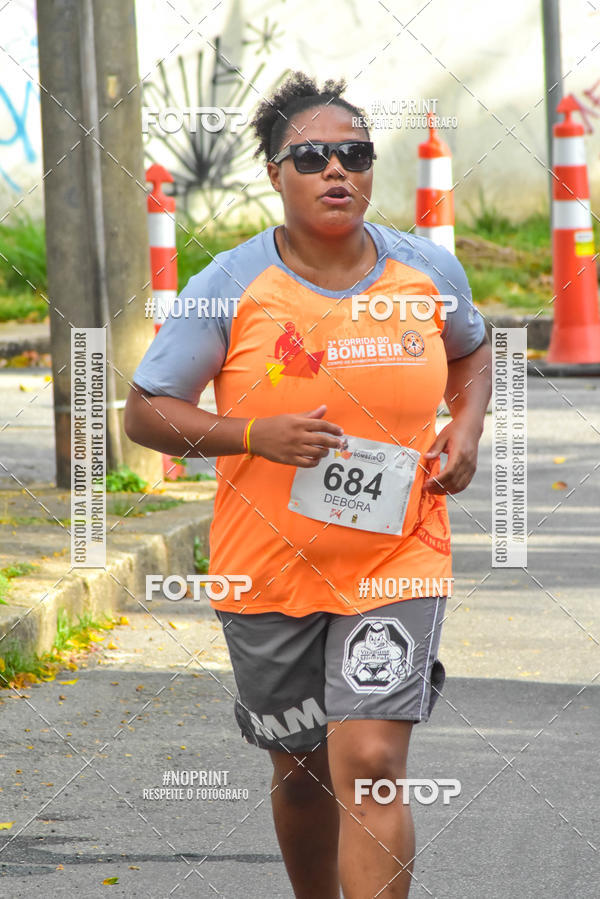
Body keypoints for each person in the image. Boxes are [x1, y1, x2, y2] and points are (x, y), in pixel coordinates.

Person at [125, 71, 492, 899]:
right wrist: (256, 435)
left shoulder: (426, 269)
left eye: (354, 154)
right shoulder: (229, 284)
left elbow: (472, 350)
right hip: (267, 570)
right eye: (312, 156)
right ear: (275, 174)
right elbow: (146, 414)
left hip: (396, 558)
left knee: (368, 761)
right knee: (301, 772)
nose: (337, 170)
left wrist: (463, 428)